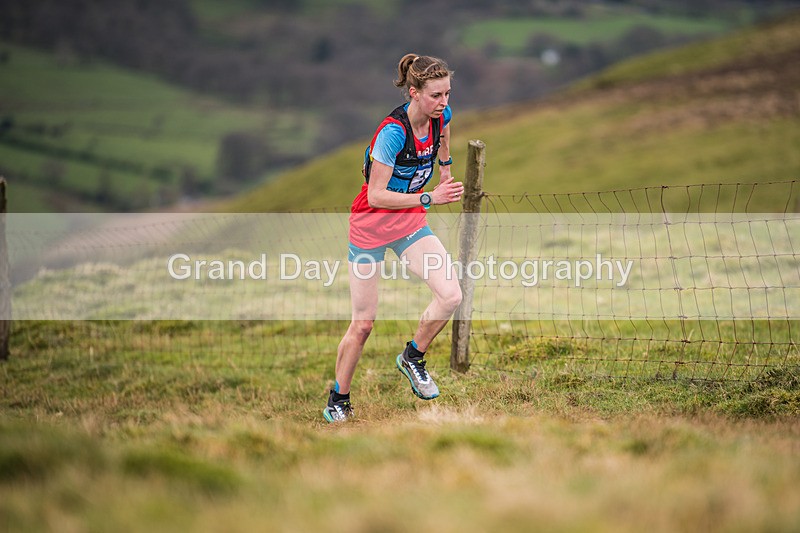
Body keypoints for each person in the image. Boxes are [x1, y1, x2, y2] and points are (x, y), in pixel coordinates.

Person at [323, 53, 465, 423]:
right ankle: (339, 398)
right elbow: (376, 195)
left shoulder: (441, 118)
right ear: (414, 93)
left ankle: (412, 356)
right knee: (364, 323)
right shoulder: (392, 133)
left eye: (448, 94)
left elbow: (444, 141)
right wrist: (429, 197)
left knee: (451, 295)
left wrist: (445, 170)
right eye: (436, 96)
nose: (444, 103)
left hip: (410, 224)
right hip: (370, 225)